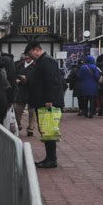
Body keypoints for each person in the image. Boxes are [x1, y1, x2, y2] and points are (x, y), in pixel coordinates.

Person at [22, 41, 65, 169]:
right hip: (43, 101)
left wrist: (49, 99)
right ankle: (50, 158)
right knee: (46, 130)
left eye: (30, 54)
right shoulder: (42, 61)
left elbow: (51, 81)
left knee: (49, 130)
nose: (30, 57)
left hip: (48, 103)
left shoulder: (46, 61)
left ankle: (51, 159)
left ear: (36, 50)